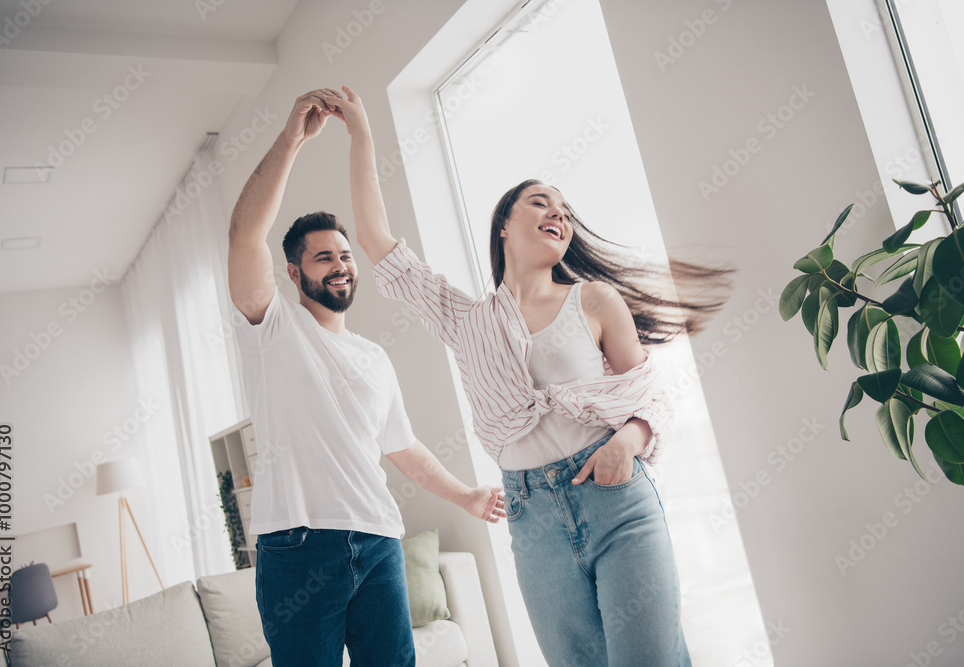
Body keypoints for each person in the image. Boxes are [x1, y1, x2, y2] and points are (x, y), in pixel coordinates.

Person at [317, 84, 730, 666]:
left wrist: (627, 444)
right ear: (504, 226)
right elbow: (377, 242)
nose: (557, 214)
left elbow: (650, 397)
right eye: (540, 203)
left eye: (564, 210)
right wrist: (361, 134)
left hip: (616, 498)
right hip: (531, 518)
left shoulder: (595, 300)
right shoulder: (467, 319)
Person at [227, 89, 505, 667]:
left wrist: (467, 495)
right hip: (297, 548)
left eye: (345, 256)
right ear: (294, 271)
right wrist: (292, 139)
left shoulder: (374, 357)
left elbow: (402, 449)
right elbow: (243, 235)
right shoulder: (272, 327)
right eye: (323, 256)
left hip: (378, 541)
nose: (340, 265)